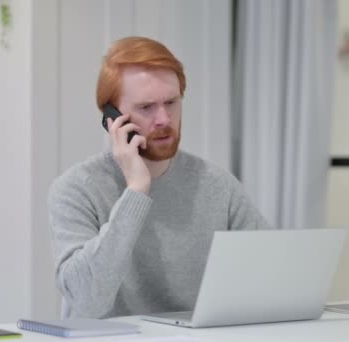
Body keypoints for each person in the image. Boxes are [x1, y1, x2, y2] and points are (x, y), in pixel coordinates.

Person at [48, 36, 271, 319]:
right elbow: (87, 301)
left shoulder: (217, 185)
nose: (164, 119)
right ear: (112, 118)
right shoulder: (76, 189)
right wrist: (137, 192)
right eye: (146, 107)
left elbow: (270, 275)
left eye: (171, 102)